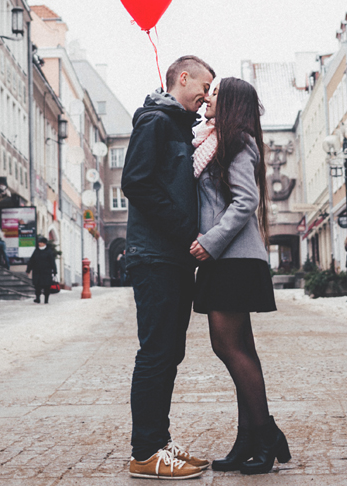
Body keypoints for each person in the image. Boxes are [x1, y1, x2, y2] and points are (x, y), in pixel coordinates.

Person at [190, 77, 290, 475]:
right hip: (226, 258)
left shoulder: (239, 141)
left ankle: (265, 435)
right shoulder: (211, 141)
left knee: (229, 348)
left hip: (233, 257)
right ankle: (250, 437)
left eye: (214, 94)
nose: (207, 98)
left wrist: (210, 241)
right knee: (240, 349)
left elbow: (245, 200)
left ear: (230, 102)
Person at [122, 55, 215, 480]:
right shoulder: (156, 122)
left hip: (173, 256)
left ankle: (159, 443)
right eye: (204, 85)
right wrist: (185, 231)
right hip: (156, 255)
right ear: (183, 77)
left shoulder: (179, 126)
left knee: (169, 352)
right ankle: (145, 452)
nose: (207, 96)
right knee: (157, 353)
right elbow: (136, 182)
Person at [26, 237, 57, 304]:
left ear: (44, 243)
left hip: (46, 272)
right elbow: (32, 261)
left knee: (47, 286)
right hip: (37, 271)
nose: (39, 243)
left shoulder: (49, 252)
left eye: (41, 242)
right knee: (37, 286)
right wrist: (28, 270)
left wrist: (54, 271)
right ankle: (37, 298)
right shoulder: (36, 251)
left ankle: (46, 299)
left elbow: (52, 262)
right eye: (39, 242)